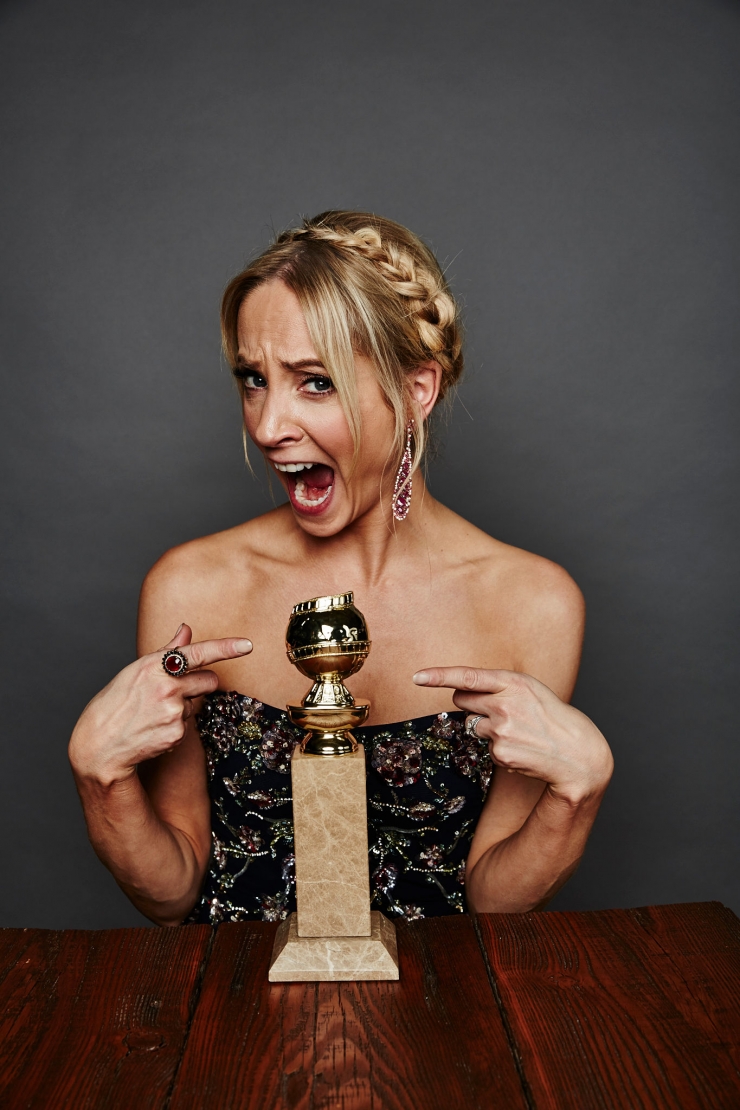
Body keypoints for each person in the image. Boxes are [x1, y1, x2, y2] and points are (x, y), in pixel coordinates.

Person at [68, 210, 614, 926]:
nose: (267, 426)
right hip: (239, 990)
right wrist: (99, 777)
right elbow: (172, 895)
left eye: (315, 382)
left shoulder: (532, 603)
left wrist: (579, 791)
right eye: (254, 379)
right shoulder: (193, 585)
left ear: (417, 389)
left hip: (436, 993)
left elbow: (491, 902)